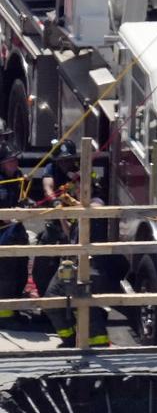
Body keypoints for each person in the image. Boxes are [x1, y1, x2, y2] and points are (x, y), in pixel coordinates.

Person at [44, 198, 127, 349]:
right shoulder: (79, 215)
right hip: (70, 265)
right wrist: (62, 215)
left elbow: (96, 208)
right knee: (51, 301)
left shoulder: (95, 213)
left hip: (90, 266)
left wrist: (75, 206)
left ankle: (99, 344)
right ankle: (70, 339)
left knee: (85, 307)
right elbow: (71, 233)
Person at [34, 140, 80, 298]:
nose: (66, 163)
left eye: (68, 159)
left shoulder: (79, 170)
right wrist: (56, 202)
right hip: (55, 224)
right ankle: (45, 301)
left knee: (73, 266)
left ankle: (70, 303)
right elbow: (48, 188)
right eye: (62, 160)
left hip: (75, 227)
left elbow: (88, 189)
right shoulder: (50, 168)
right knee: (42, 264)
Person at [0, 144, 29, 314]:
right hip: (3, 233)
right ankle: (5, 314)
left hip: (15, 229)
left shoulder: (17, 176)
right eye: (11, 161)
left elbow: (20, 198)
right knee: (6, 274)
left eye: (16, 160)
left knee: (20, 270)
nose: (15, 164)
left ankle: (16, 308)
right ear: (2, 164)